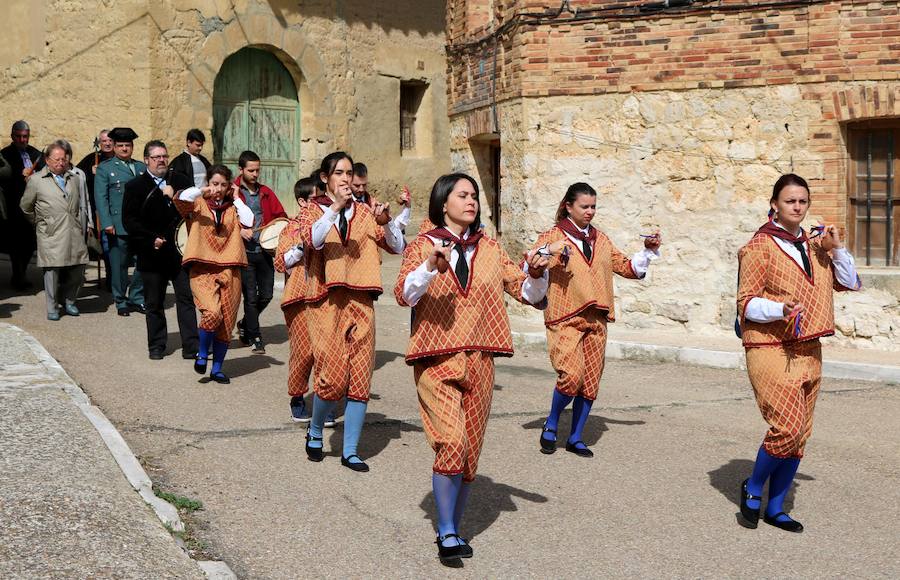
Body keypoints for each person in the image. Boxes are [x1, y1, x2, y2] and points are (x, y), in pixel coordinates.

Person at [395, 173, 549, 563]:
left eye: (474, 196)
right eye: (462, 195)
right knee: (452, 441)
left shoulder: (492, 249)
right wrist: (430, 266)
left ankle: (455, 526)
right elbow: (405, 294)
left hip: (481, 357)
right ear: (443, 202)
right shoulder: (421, 246)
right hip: (436, 357)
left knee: (470, 453)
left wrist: (537, 272)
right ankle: (445, 532)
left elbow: (528, 294)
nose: (471, 202)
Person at [736, 174, 861, 533]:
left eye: (802, 201)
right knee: (786, 427)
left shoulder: (815, 245)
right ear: (775, 203)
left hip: (810, 346)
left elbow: (849, 282)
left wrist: (836, 249)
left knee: (801, 432)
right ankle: (754, 486)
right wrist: (779, 310)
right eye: (790, 201)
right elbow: (746, 302)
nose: (797, 207)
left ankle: (776, 508)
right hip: (770, 346)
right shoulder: (758, 246)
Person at [535, 182, 661, 458]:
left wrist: (647, 251)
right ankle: (552, 422)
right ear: (569, 206)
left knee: (590, 380)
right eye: (585, 206)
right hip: (564, 316)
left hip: (597, 318)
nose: (590, 211)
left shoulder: (601, 239)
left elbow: (626, 267)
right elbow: (531, 263)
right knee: (570, 376)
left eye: (593, 206)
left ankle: (576, 437)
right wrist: (547, 252)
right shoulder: (553, 236)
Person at [300, 151, 407, 472]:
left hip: (362, 300)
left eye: (349, 173)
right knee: (332, 378)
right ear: (325, 178)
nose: (346, 179)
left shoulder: (364, 213)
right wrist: (335, 207)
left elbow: (397, 247)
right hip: (326, 301)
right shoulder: (313, 210)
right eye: (339, 173)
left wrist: (386, 222)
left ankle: (350, 451)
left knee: (360, 377)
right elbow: (314, 240)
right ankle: (316, 429)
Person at [174, 165, 254, 384]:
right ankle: (201, 354)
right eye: (215, 183)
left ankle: (217, 368)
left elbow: (249, 221)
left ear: (230, 186)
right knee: (211, 313)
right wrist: (204, 190)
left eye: (223, 184)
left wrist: (236, 197)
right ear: (209, 182)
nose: (219, 189)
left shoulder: (233, 207)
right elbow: (181, 197)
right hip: (202, 268)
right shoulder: (198, 203)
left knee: (227, 321)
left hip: (231, 267)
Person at [122, 140, 199, 360]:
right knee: (154, 302)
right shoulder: (135, 186)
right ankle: (156, 345)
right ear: (146, 160)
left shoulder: (180, 181)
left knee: (185, 299)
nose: (162, 160)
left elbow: (194, 210)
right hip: (152, 254)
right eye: (156, 157)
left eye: (164, 156)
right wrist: (149, 240)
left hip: (179, 253)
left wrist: (176, 196)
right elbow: (129, 221)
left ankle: (191, 346)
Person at [19, 142, 90, 320]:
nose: (61, 162)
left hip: (73, 231)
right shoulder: (36, 180)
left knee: (78, 268)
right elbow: (25, 206)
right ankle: (52, 307)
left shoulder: (74, 178)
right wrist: (40, 223)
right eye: (56, 159)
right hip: (50, 232)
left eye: (64, 159)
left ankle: (69, 300)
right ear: (47, 160)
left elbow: (80, 204)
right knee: (52, 272)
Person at [235, 150, 287, 354]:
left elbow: (280, 215)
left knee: (266, 294)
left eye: (258, 170)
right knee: (251, 296)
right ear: (241, 170)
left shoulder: (266, 191)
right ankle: (256, 337)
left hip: (264, 251)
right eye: (251, 170)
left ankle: (246, 323)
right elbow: (224, 218)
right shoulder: (233, 193)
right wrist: (239, 229)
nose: (256, 174)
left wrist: (274, 228)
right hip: (243, 252)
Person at [275, 177, 317, 422]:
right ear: (302, 202)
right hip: (299, 296)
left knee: (326, 351)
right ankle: (298, 395)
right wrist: (301, 247)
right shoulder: (290, 229)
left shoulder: (329, 223)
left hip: (326, 294)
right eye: (313, 199)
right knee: (304, 351)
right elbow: (281, 262)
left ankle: (325, 397)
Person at [94, 127, 146, 316]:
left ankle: (137, 297)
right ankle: (121, 300)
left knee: (142, 263)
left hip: (140, 226)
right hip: (118, 225)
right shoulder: (105, 169)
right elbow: (101, 198)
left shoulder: (141, 167)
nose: (124, 149)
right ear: (114, 147)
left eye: (128, 145)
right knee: (119, 265)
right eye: (121, 145)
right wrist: (107, 222)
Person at [1, 120, 43, 289]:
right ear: (12, 136)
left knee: (29, 243)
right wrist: (19, 176)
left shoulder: (35, 153)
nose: (22, 140)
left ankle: (22, 272)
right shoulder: (5, 154)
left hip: (33, 206)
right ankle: (18, 274)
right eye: (18, 136)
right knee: (15, 244)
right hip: (14, 205)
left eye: (25, 136)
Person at [76, 129, 116, 288]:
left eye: (109, 141)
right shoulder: (92, 159)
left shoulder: (118, 159)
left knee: (111, 246)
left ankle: (112, 277)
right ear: (99, 143)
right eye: (103, 141)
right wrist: (90, 173)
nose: (106, 143)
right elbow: (76, 174)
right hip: (95, 209)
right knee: (96, 245)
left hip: (112, 208)